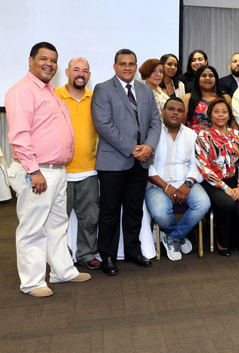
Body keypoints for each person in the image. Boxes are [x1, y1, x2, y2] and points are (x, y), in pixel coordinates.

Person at [6, 42, 91, 297]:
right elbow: (19, 135)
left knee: (57, 223)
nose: (49, 64)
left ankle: (62, 271)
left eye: (53, 60)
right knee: (32, 227)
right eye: (43, 59)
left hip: (57, 170)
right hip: (37, 171)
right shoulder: (22, 91)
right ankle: (32, 282)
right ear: (30, 60)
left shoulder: (49, 90)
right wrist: (33, 171)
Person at [92, 48, 162, 276]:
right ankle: (108, 256)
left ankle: (133, 251)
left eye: (132, 63)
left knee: (134, 210)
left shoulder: (144, 90)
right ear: (115, 66)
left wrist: (149, 147)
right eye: (123, 64)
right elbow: (103, 125)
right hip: (113, 162)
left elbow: (155, 121)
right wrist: (132, 148)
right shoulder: (103, 90)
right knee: (110, 211)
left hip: (141, 162)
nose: (128, 67)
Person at [145, 97, 210, 261]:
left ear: (184, 114)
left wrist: (187, 184)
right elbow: (147, 164)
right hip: (157, 184)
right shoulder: (152, 133)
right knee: (160, 212)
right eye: (171, 109)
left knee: (203, 204)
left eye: (180, 110)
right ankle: (178, 235)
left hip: (185, 182)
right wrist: (166, 187)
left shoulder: (192, 134)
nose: (175, 113)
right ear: (163, 111)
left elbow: (197, 164)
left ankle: (172, 237)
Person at [54, 57, 101, 270]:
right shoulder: (55, 97)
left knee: (90, 218)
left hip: (89, 170)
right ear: (67, 72)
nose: (80, 74)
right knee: (58, 220)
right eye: (76, 69)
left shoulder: (96, 98)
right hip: (61, 171)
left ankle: (87, 254)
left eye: (85, 70)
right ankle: (58, 257)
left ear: (89, 75)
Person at [196, 99, 239, 256]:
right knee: (227, 204)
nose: (221, 115)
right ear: (210, 115)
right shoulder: (203, 135)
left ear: (229, 115)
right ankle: (223, 242)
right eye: (216, 111)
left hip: (235, 181)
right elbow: (203, 167)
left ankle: (233, 241)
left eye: (224, 112)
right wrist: (225, 188)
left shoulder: (236, 135)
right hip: (213, 182)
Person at [181, 65, 222, 133]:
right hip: (193, 140)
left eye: (211, 76)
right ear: (197, 79)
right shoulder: (187, 98)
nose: (207, 78)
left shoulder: (224, 98)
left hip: (218, 140)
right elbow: (181, 124)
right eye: (204, 75)